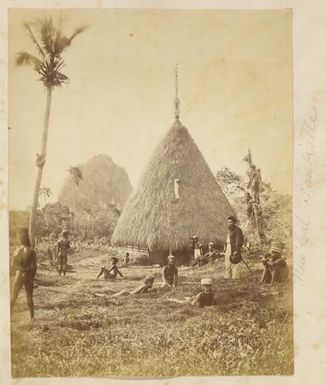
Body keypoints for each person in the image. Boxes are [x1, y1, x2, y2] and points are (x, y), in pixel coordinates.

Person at [10, 227, 37, 320]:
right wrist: (31, 275)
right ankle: (32, 317)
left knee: (14, 296)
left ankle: (7, 315)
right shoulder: (32, 251)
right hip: (28, 275)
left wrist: (20, 269)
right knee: (29, 296)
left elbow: (13, 265)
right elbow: (34, 267)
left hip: (19, 274)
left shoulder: (18, 250)